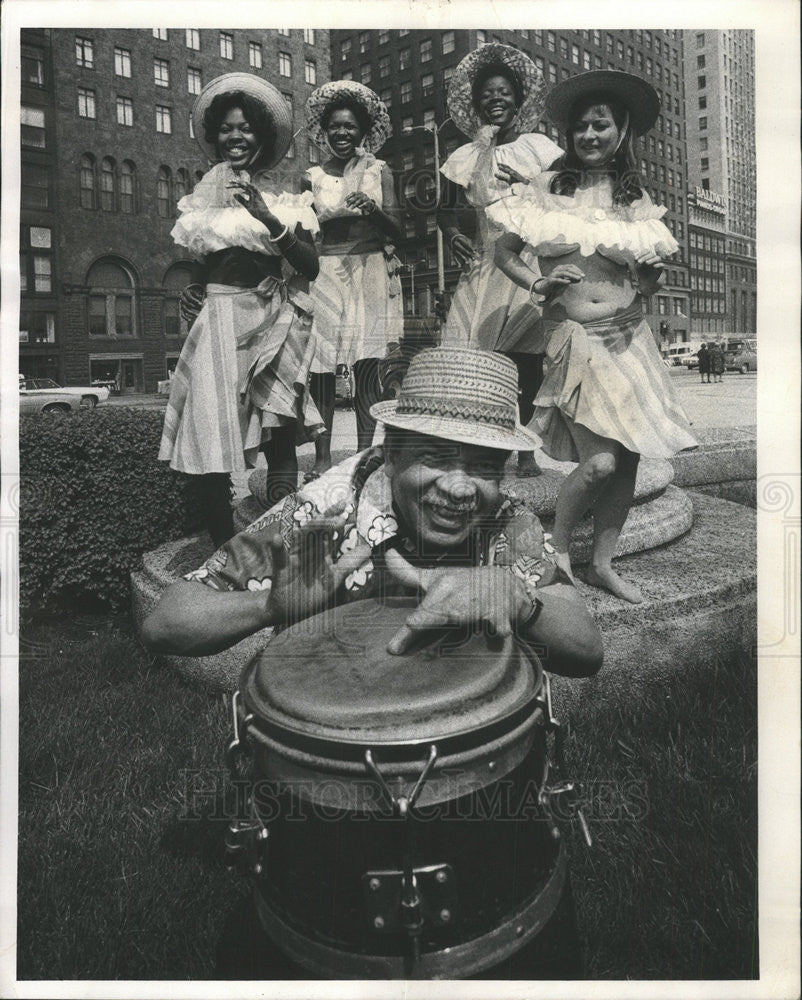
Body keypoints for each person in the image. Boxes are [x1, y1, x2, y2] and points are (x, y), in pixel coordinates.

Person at [142, 347, 603, 681]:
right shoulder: (324, 511)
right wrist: (266, 606)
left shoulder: (505, 519)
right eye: (437, 457)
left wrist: (523, 602)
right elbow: (166, 624)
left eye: (484, 465)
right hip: (330, 733)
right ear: (393, 454)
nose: (461, 487)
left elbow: (586, 651)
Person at [491, 70, 697, 603]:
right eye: (580, 126)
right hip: (574, 338)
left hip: (630, 337)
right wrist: (538, 281)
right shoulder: (546, 189)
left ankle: (602, 563)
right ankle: (557, 553)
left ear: (621, 131)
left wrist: (650, 280)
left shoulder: (635, 199)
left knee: (627, 459)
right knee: (600, 462)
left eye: (600, 126)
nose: (589, 135)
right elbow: (505, 251)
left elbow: (645, 282)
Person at [158, 73, 323, 548]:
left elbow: (309, 267)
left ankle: (285, 541)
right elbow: (204, 263)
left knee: (279, 433)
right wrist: (193, 290)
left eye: (246, 128)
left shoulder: (287, 199)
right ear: (216, 136)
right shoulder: (201, 201)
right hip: (218, 323)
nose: (236, 137)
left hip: (272, 320)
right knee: (210, 438)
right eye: (227, 129)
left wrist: (268, 219)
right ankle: (222, 549)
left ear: (263, 136)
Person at [438, 43, 563, 478]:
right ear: (476, 105)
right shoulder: (465, 156)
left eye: (503, 92)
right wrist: (453, 232)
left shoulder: (539, 149)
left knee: (526, 361)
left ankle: (527, 452)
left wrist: (532, 183)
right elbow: (444, 208)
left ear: (518, 100)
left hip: (527, 262)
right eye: (487, 94)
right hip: (483, 265)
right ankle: (482, 448)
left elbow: (566, 199)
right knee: (476, 361)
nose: (496, 99)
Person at [302, 80, 403, 479]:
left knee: (366, 367)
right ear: (324, 132)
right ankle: (323, 453)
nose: (342, 133)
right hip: (326, 272)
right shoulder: (309, 177)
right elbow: (304, 233)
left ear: (364, 131)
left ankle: (364, 452)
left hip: (371, 271)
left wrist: (373, 210)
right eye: (335, 127)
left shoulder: (380, 170)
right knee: (323, 368)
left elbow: (398, 229)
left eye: (350, 126)